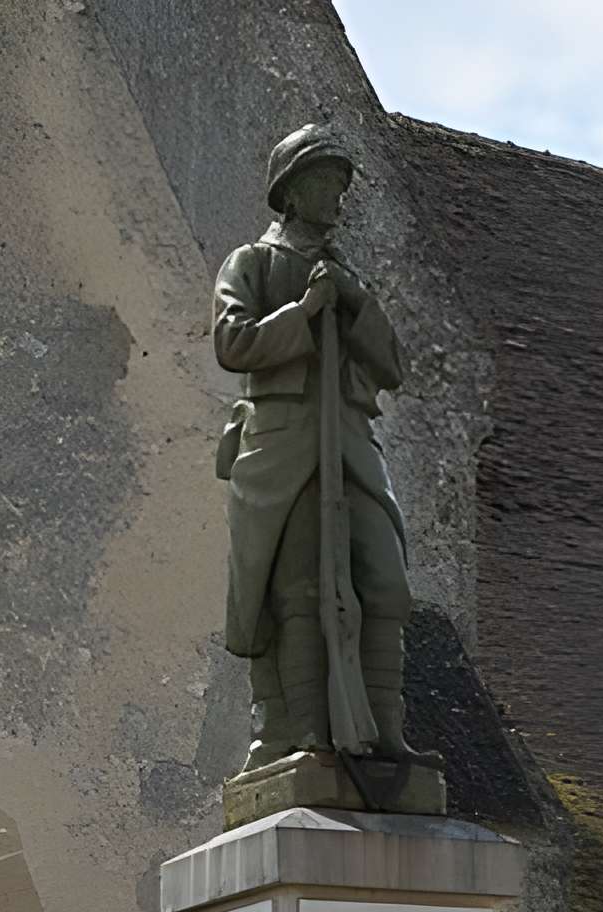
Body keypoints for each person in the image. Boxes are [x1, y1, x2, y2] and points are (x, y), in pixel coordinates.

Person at [213, 124, 429, 770]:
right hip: (282, 445)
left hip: (351, 447)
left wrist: (351, 300)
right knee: (299, 586)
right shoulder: (251, 263)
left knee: (384, 578)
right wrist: (304, 313)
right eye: (327, 185)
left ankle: (386, 731)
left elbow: (392, 363)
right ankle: (304, 733)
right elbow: (233, 342)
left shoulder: (346, 274)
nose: (337, 200)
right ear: (294, 191)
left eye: (341, 186)